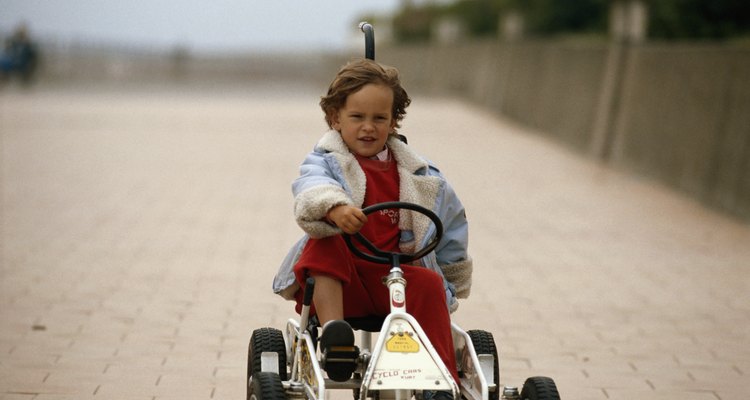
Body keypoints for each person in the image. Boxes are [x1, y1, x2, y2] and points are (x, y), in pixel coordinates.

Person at [273, 59, 472, 396]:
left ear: (394, 121)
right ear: (336, 118)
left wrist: (451, 279)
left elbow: (449, 227)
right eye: (357, 117)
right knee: (325, 241)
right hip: (339, 284)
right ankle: (337, 340)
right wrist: (334, 208)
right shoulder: (327, 161)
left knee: (429, 283)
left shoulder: (421, 177)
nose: (368, 127)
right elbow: (311, 186)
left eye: (379, 118)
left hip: (393, 278)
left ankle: (439, 379)